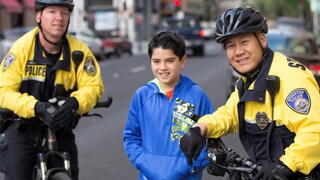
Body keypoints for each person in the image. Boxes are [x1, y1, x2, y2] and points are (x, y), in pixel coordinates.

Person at [180, 7, 320, 180]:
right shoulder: (249, 80)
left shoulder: (291, 77)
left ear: (262, 40)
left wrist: (286, 166)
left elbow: (315, 130)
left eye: (244, 42)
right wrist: (200, 128)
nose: (238, 51)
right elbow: (230, 113)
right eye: (231, 45)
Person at [0, 0, 104, 179]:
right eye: (52, 12)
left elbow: (93, 86)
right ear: (39, 16)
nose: (59, 18)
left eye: (64, 13)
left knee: (71, 173)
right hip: (23, 129)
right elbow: (3, 91)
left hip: (60, 128)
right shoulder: (22, 48)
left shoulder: (79, 51)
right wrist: (36, 107)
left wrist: (74, 103)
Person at [123, 31, 214, 180]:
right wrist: (145, 164)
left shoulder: (197, 95)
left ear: (182, 61)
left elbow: (210, 139)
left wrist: (190, 166)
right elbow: (131, 137)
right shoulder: (141, 96)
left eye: (170, 60)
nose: (163, 67)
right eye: (156, 61)